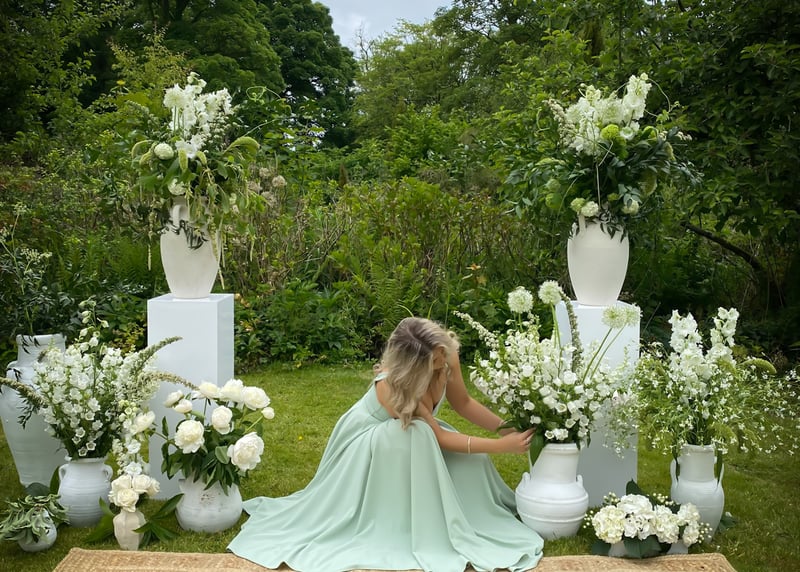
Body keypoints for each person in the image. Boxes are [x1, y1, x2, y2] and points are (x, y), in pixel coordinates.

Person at [228, 317, 544, 572]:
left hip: (414, 433)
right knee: (416, 436)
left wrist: (507, 430)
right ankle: (402, 522)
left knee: (463, 457)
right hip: (370, 438)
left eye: (441, 353)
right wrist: (502, 447)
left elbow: (463, 403)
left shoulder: (445, 353)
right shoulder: (395, 386)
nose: (441, 360)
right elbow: (437, 436)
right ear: (414, 366)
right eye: (433, 359)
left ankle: (472, 513)